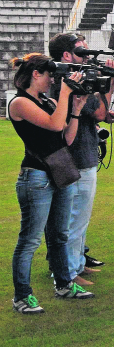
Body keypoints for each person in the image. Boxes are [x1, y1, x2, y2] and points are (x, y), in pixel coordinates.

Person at [9, 55, 94, 313]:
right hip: (36, 177)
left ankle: (64, 283)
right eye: (50, 76)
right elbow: (55, 123)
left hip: (58, 173)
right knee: (31, 240)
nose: (53, 81)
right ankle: (22, 297)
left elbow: (65, 138)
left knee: (59, 235)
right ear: (36, 74)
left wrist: (76, 109)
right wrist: (66, 95)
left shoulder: (48, 101)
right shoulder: (19, 103)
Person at [47, 35, 114, 286]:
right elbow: (98, 110)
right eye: (81, 49)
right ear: (66, 55)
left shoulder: (65, 79)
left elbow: (95, 114)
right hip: (77, 157)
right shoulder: (71, 81)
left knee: (74, 218)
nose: (87, 53)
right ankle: (67, 270)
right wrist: (110, 85)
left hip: (78, 153)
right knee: (75, 218)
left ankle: (75, 263)